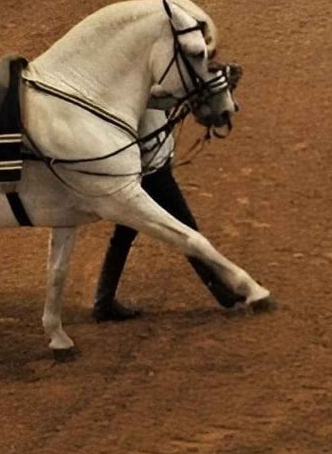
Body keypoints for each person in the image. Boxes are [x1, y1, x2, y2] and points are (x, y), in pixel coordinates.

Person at [91, 110, 237, 321]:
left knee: (123, 235)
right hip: (151, 172)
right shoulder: (142, 85)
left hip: (145, 168)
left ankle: (103, 301)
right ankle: (224, 291)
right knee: (186, 230)